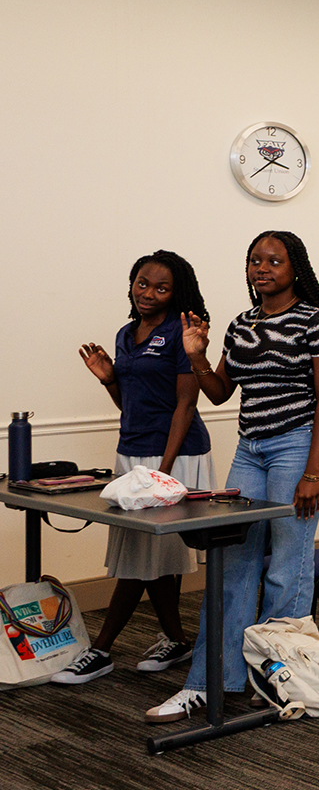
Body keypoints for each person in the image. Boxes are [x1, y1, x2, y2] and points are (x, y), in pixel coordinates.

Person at [147, 231, 319, 723]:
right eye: (255, 260)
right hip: (251, 449)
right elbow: (217, 393)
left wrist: (313, 470)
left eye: (274, 261)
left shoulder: (315, 321)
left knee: (286, 566)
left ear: (295, 268)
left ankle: (278, 677)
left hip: (298, 446)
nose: (262, 268)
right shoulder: (241, 324)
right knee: (232, 563)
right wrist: (195, 355)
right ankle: (212, 681)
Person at [56, 251, 216, 685]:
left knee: (138, 558)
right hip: (132, 452)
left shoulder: (181, 333)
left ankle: (101, 650)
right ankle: (177, 639)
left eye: (161, 288)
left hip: (176, 456)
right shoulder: (127, 334)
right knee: (151, 556)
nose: (148, 293)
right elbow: (132, 406)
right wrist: (110, 379)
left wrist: (161, 473)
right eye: (142, 283)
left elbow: (185, 405)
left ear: (176, 293)